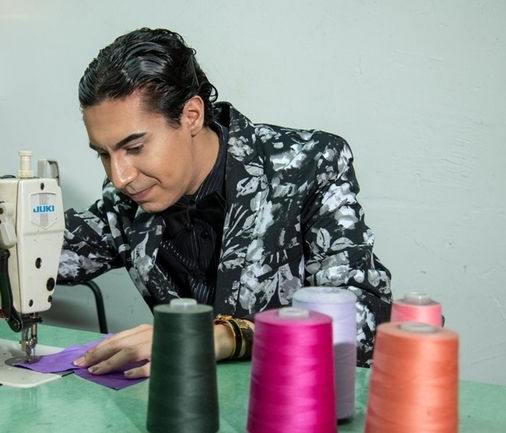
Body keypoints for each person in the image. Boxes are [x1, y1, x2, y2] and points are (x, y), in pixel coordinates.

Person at [58, 28, 391, 377]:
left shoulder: (308, 165)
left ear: (191, 115)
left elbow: (364, 317)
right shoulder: (125, 203)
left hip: (304, 408)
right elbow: (46, 253)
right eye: (103, 154)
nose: (119, 176)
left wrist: (230, 336)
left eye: (135, 147)